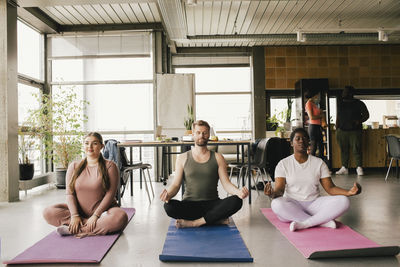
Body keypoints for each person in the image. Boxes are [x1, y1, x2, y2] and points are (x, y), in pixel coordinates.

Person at [264, 128, 361, 232]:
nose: (301, 140)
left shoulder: (319, 163)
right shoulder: (283, 164)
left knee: (344, 201)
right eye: (298, 138)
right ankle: (321, 222)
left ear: (308, 142)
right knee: (276, 204)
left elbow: (330, 188)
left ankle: (306, 223)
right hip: (292, 204)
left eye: (305, 138)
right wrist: (272, 194)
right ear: (292, 143)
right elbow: (279, 190)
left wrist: (349, 192)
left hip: (314, 204)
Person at [160, 120, 249, 228]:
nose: (201, 135)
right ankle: (214, 220)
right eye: (198, 132)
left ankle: (195, 222)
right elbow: (175, 185)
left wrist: (238, 192)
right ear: (193, 134)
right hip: (189, 205)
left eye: (204, 133)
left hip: (212, 204)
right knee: (168, 207)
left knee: (237, 201)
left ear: (208, 135)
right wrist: (168, 194)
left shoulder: (218, 158)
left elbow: (226, 183)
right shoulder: (182, 158)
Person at [43, 132, 128, 237]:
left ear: (102, 146)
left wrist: (96, 216)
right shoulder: (74, 166)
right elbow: (70, 194)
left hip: (103, 213)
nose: (90, 147)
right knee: (48, 212)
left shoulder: (110, 166)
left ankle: (77, 229)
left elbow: (110, 195)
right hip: (80, 213)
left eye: (94, 143)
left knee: (121, 217)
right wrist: (74, 216)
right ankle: (86, 226)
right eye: (87, 143)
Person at [335, 86, 370, 176]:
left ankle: (359, 168)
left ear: (350, 93)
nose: (343, 93)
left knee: (356, 149)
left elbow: (366, 115)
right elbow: (338, 116)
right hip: (341, 131)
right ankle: (344, 168)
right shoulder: (341, 103)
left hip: (355, 131)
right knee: (343, 150)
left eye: (345, 92)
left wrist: (359, 121)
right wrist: (337, 127)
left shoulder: (359, 103)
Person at [305, 89, 325, 159]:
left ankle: (320, 166)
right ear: (313, 95)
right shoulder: (309, 103)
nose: (318, 96)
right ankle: (311, 166)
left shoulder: (314, 103)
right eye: (317, 94)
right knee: (313, 148)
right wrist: (321, 115)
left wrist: (320, 112)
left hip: (318, 126)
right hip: (313, 127)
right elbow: (312, 117)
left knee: (321, 148)